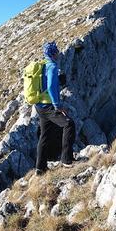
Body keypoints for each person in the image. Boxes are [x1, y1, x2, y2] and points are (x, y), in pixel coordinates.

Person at [34, 41, 76, 175]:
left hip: (40, 106)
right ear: (52, 53)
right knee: (69, 124)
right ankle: (66, 160)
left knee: (45, 135)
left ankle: (40, 168)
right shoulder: (51, 66)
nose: (58, 53)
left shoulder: (43, 65)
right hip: (49, 106)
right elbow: (51, 86)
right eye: (56, 51)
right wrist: (58, 106)